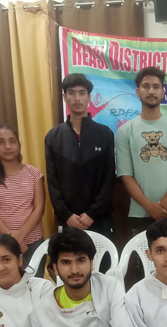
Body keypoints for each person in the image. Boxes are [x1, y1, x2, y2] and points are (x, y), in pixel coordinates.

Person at [116, 67, 167, 235]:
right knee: (142, 261)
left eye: (156, 86)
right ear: (137, 91)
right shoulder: (124, 131)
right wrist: (148, 206)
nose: (151, 91)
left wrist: (162, 205)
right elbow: (126, 175)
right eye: (146, 86)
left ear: (163, 92)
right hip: (140, 213)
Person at [45, 74, 116, 238]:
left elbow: (108, 179)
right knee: (70, 262)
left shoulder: (104, 134)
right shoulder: (53, 136)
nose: (77, 98)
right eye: (71, 93)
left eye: (82, 93)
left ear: (89, 97)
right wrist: (67, 215)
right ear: (65, 97)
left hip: (100, 219)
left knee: (103, 264)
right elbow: (53, 182)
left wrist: (92, 213)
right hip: (67, 220)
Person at [0, 125, 46, 268]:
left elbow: (39, 208)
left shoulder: (33, 173)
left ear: (19, 145)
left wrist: (21, 234)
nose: (8, 146)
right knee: (7, 285)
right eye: (1, 142)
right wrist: (11, 237)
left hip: (32, 241)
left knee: (35, 285)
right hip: (1, 242)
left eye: (12, 141)